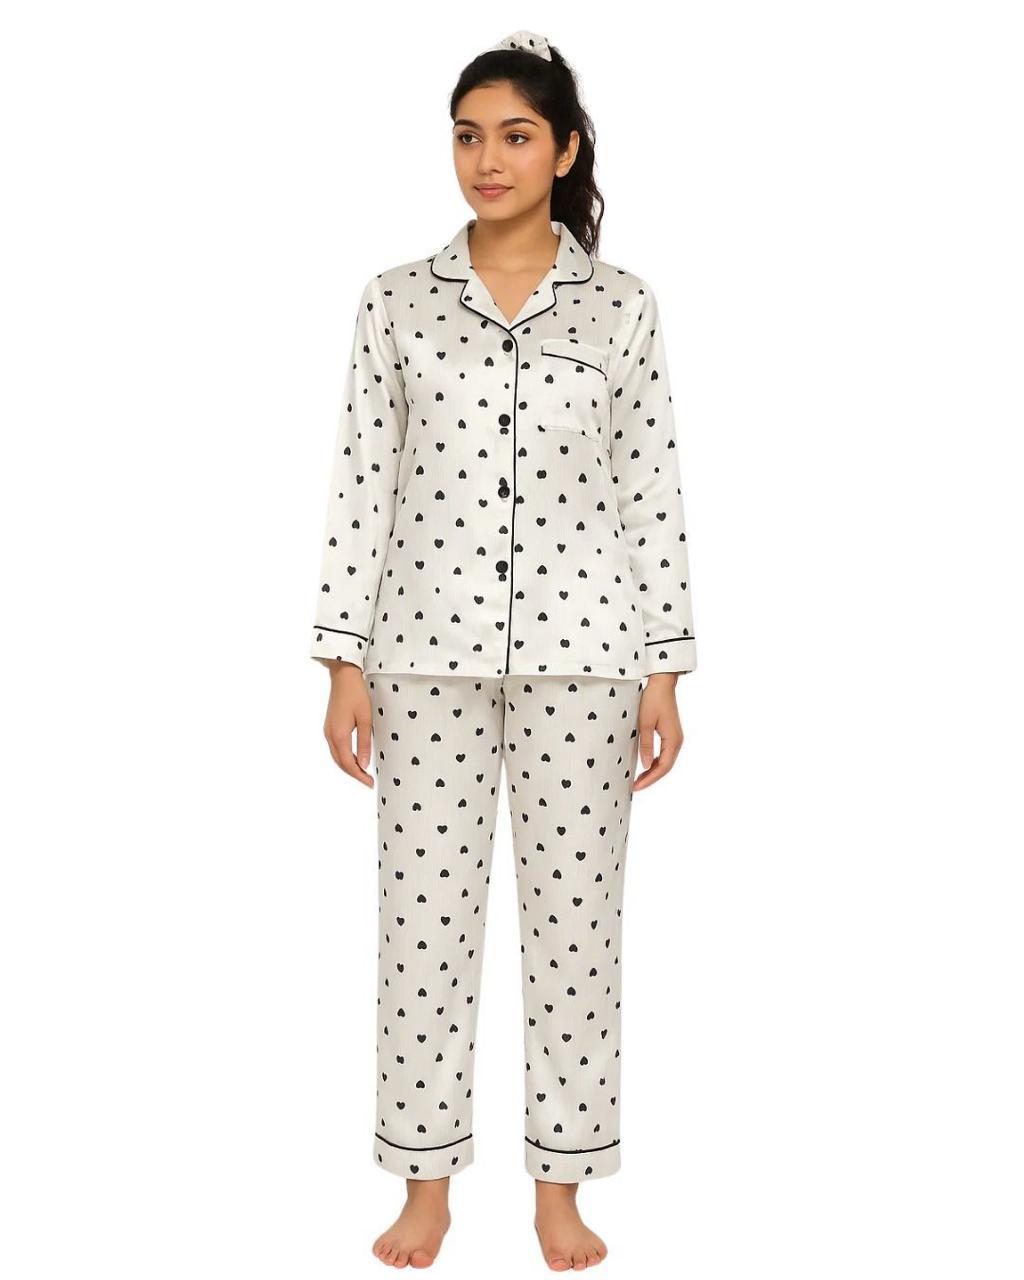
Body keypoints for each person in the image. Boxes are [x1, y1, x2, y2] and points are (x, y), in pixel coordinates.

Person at [310, 29, 697, 1271]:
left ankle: (558, 1191)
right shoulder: (395, 300)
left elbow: (650, 490)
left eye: (515, 136)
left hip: (590, 659)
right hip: (420, 655)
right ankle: (422, 1183)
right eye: (468, 135)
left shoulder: (622, 305)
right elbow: (362, 480)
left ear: (564, 149)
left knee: (577, 931)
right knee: (421, 928)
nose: (487, 158)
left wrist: (666, 667)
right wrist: (341, 659)